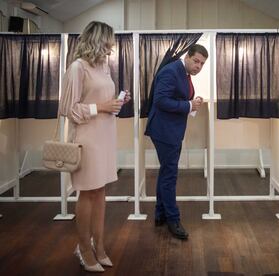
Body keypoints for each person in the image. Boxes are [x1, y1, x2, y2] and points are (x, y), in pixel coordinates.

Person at [59, 21, 131, 272]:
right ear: (97, 40)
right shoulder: (77, 68)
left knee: (100, 193)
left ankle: (99, 246)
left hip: (106, 136)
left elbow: (101, 100)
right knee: (87, 192)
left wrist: (115, 102)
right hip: (87, 139)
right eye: (109, 41)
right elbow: (68, 109)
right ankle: (83, 248)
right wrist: (101, 107)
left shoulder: (103, 67)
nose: (112, 47)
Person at [145, 44, 208, 240]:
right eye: (196, 61)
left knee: (166, 172)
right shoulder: (172, 71)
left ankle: (160, 214)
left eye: (202, 64)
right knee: (170, 174)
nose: (198, 66)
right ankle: (173, 219)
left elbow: (176, 97)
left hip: (170, 129)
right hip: (165, 131)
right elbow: (160, 101)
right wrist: (189, 104)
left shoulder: (184, 73)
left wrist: (191, 103)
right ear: (187, 57)